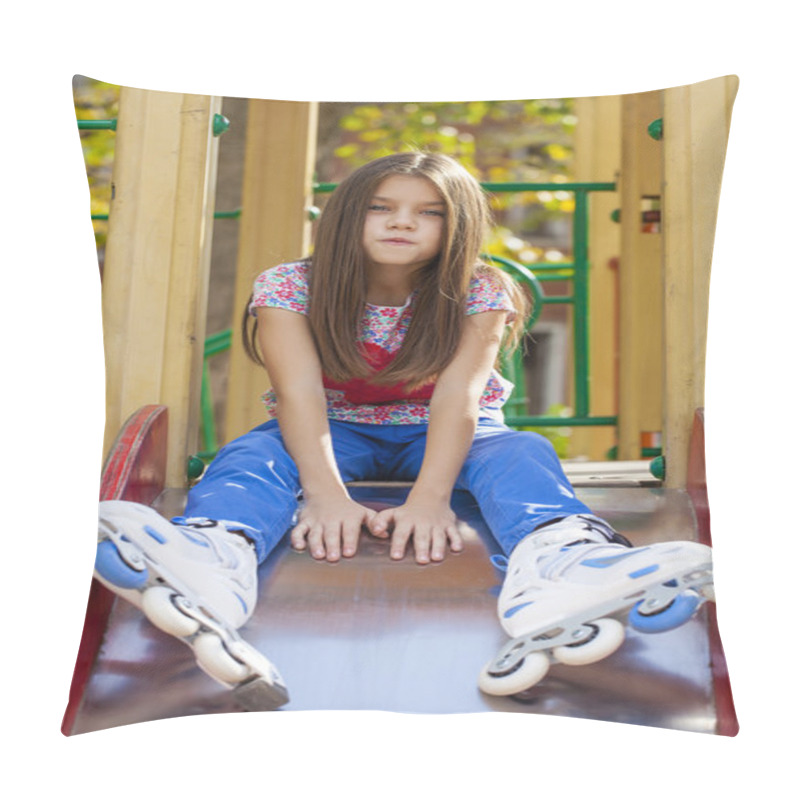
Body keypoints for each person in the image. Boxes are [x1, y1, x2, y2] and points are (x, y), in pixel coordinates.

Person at [95, 152, 715, 707]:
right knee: (253, 455)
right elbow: (299, 394)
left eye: (430, 213)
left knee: (522, 451)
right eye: (380, 207)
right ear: (345, 217)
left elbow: (459, 399)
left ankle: (565, 559)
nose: (402, 222)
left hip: (445, 432)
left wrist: (429, 499)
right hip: (333, 428)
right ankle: (213, 550)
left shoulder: (479, 289)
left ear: (459, 226)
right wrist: (326, 494)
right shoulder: (289, 285)